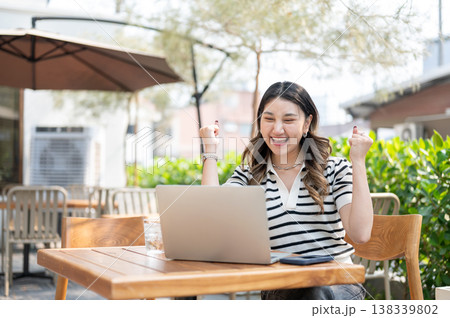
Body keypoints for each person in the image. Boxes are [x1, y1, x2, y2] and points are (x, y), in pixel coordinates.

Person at [199, 81, 374, 300]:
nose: (277, 129)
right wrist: (211, 150)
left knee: (314, 294)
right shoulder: (249, 174)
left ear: (307, 123)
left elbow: (360, 233)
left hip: (335, 284)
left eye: (289, 120)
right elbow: (212, 215)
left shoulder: (335, 168)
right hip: (282, 287)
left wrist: (357, 160)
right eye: (269, 119)